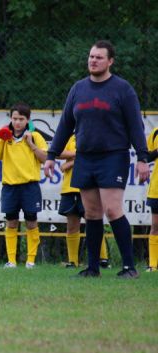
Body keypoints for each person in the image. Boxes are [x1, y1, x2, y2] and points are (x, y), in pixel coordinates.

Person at [44, 40, 149, 278]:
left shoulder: (122, 89)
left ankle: (129, 267)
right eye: (91, 56)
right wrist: (51, 156)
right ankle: (92, 268)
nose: (93, 60)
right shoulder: (78, 89)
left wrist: (142, 158)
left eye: (99, 57)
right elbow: (65, 125)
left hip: (113, 156)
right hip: (85, 157)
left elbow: (135, 126)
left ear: (110, 61)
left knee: (112, 210)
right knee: (91, 213)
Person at [0, 103, 47, 269]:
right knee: (11, 222)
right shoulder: (5, 138)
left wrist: (31, 144)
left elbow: (45, 158)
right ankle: (11, 261)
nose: (17, 122)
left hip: (30, 186)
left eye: (21, 119)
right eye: (15, 118)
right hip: (10, 187)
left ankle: (30, 261)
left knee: (31, 221)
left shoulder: (35, 136)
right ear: (10, 119)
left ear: (27, 120)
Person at [58, 136, 110, 269]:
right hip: (69, 188)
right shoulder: (70, 137)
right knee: (72, 225)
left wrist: (69, 163)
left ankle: (102, 258)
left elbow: (93, 156)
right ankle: (73, 261)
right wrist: (78, 154)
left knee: (93, 222)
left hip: (89, 186)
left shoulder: (94, 135)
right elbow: (59, 152)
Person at [145, 127, 158, 272]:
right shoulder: (155, 132)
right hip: (156, 188)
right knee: (155, 226)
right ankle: (153, 265)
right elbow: (147, 157)